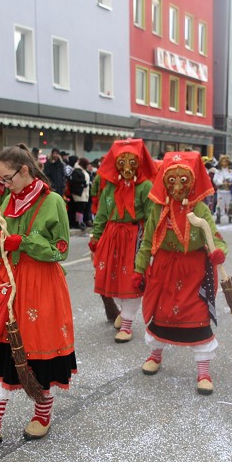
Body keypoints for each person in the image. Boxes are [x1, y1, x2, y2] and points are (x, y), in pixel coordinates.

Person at [0, 145, 76, 443]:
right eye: (1, 180)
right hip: (11, 285)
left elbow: (59, 250)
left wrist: (22, 241)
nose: (4, 185)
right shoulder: (9, 200)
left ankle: (42, 414)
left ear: (25, 170)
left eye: (8, 178)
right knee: (3, 347)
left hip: (42, 285)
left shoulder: (53, 202)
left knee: (40, 352)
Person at [132, 151, 225, 394]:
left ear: (192, 182)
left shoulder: (200, 209)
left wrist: (218, 252)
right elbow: (147, 241)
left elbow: (215, 237)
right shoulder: (158, 208)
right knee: (161, 315)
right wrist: (139, 269)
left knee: (198, 318)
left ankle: (203, 370)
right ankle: (155, 355)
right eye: (171, 180)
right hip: (164, 270)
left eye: (183, 180)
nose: (176, 186)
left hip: (194, 272)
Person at [89, 139, 158, 343]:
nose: (127, 167)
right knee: (112, 277)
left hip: (133, 237)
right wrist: (96, 237)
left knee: (132, 280)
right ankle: (123, 312)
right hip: (112, 237)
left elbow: (151, 216)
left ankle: (127, 324)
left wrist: (150, 243)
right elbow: (102, 213)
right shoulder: (110, 186)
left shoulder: (145, 186)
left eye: (132, 162)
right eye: (122, 162)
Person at [211, 155, 232, 224]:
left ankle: (230, 217)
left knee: (230, 204)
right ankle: (218, 217)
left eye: (225, 161)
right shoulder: (218, 170)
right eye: (222, 161)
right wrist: (220, 182)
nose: (224, 163)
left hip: (229, 191)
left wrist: (230, 179)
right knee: (219, 204)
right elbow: (215, 179)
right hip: (221, 190)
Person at [67, 157, 91, 231]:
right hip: (79, 193)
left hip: (84, 193)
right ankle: (78, 222)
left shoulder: (83, 171)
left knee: (82, 208)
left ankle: (81, 221)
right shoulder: (77, 171)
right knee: (79, 209)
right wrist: (83, 183)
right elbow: (75, 181)